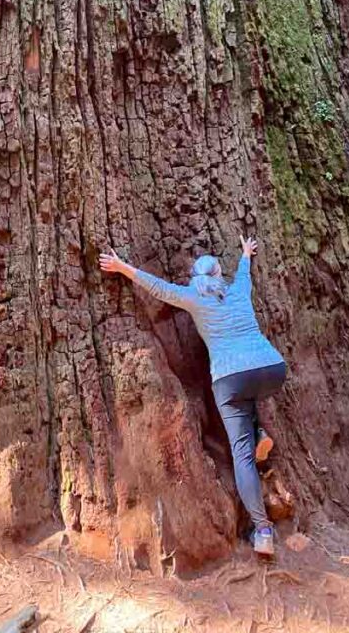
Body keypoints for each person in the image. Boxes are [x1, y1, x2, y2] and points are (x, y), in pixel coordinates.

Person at [99, 237, 286, 558]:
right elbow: (245, 275)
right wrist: (244, 255)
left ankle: (263, 530)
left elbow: (158, 288)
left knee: (242, 456)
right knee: (251, 393)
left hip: (230, 378)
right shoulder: (238, 292)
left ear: (196, 280)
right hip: (272, 370)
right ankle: (259, 432)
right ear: (217, 275)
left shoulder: (193, 298)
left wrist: (121, 267)